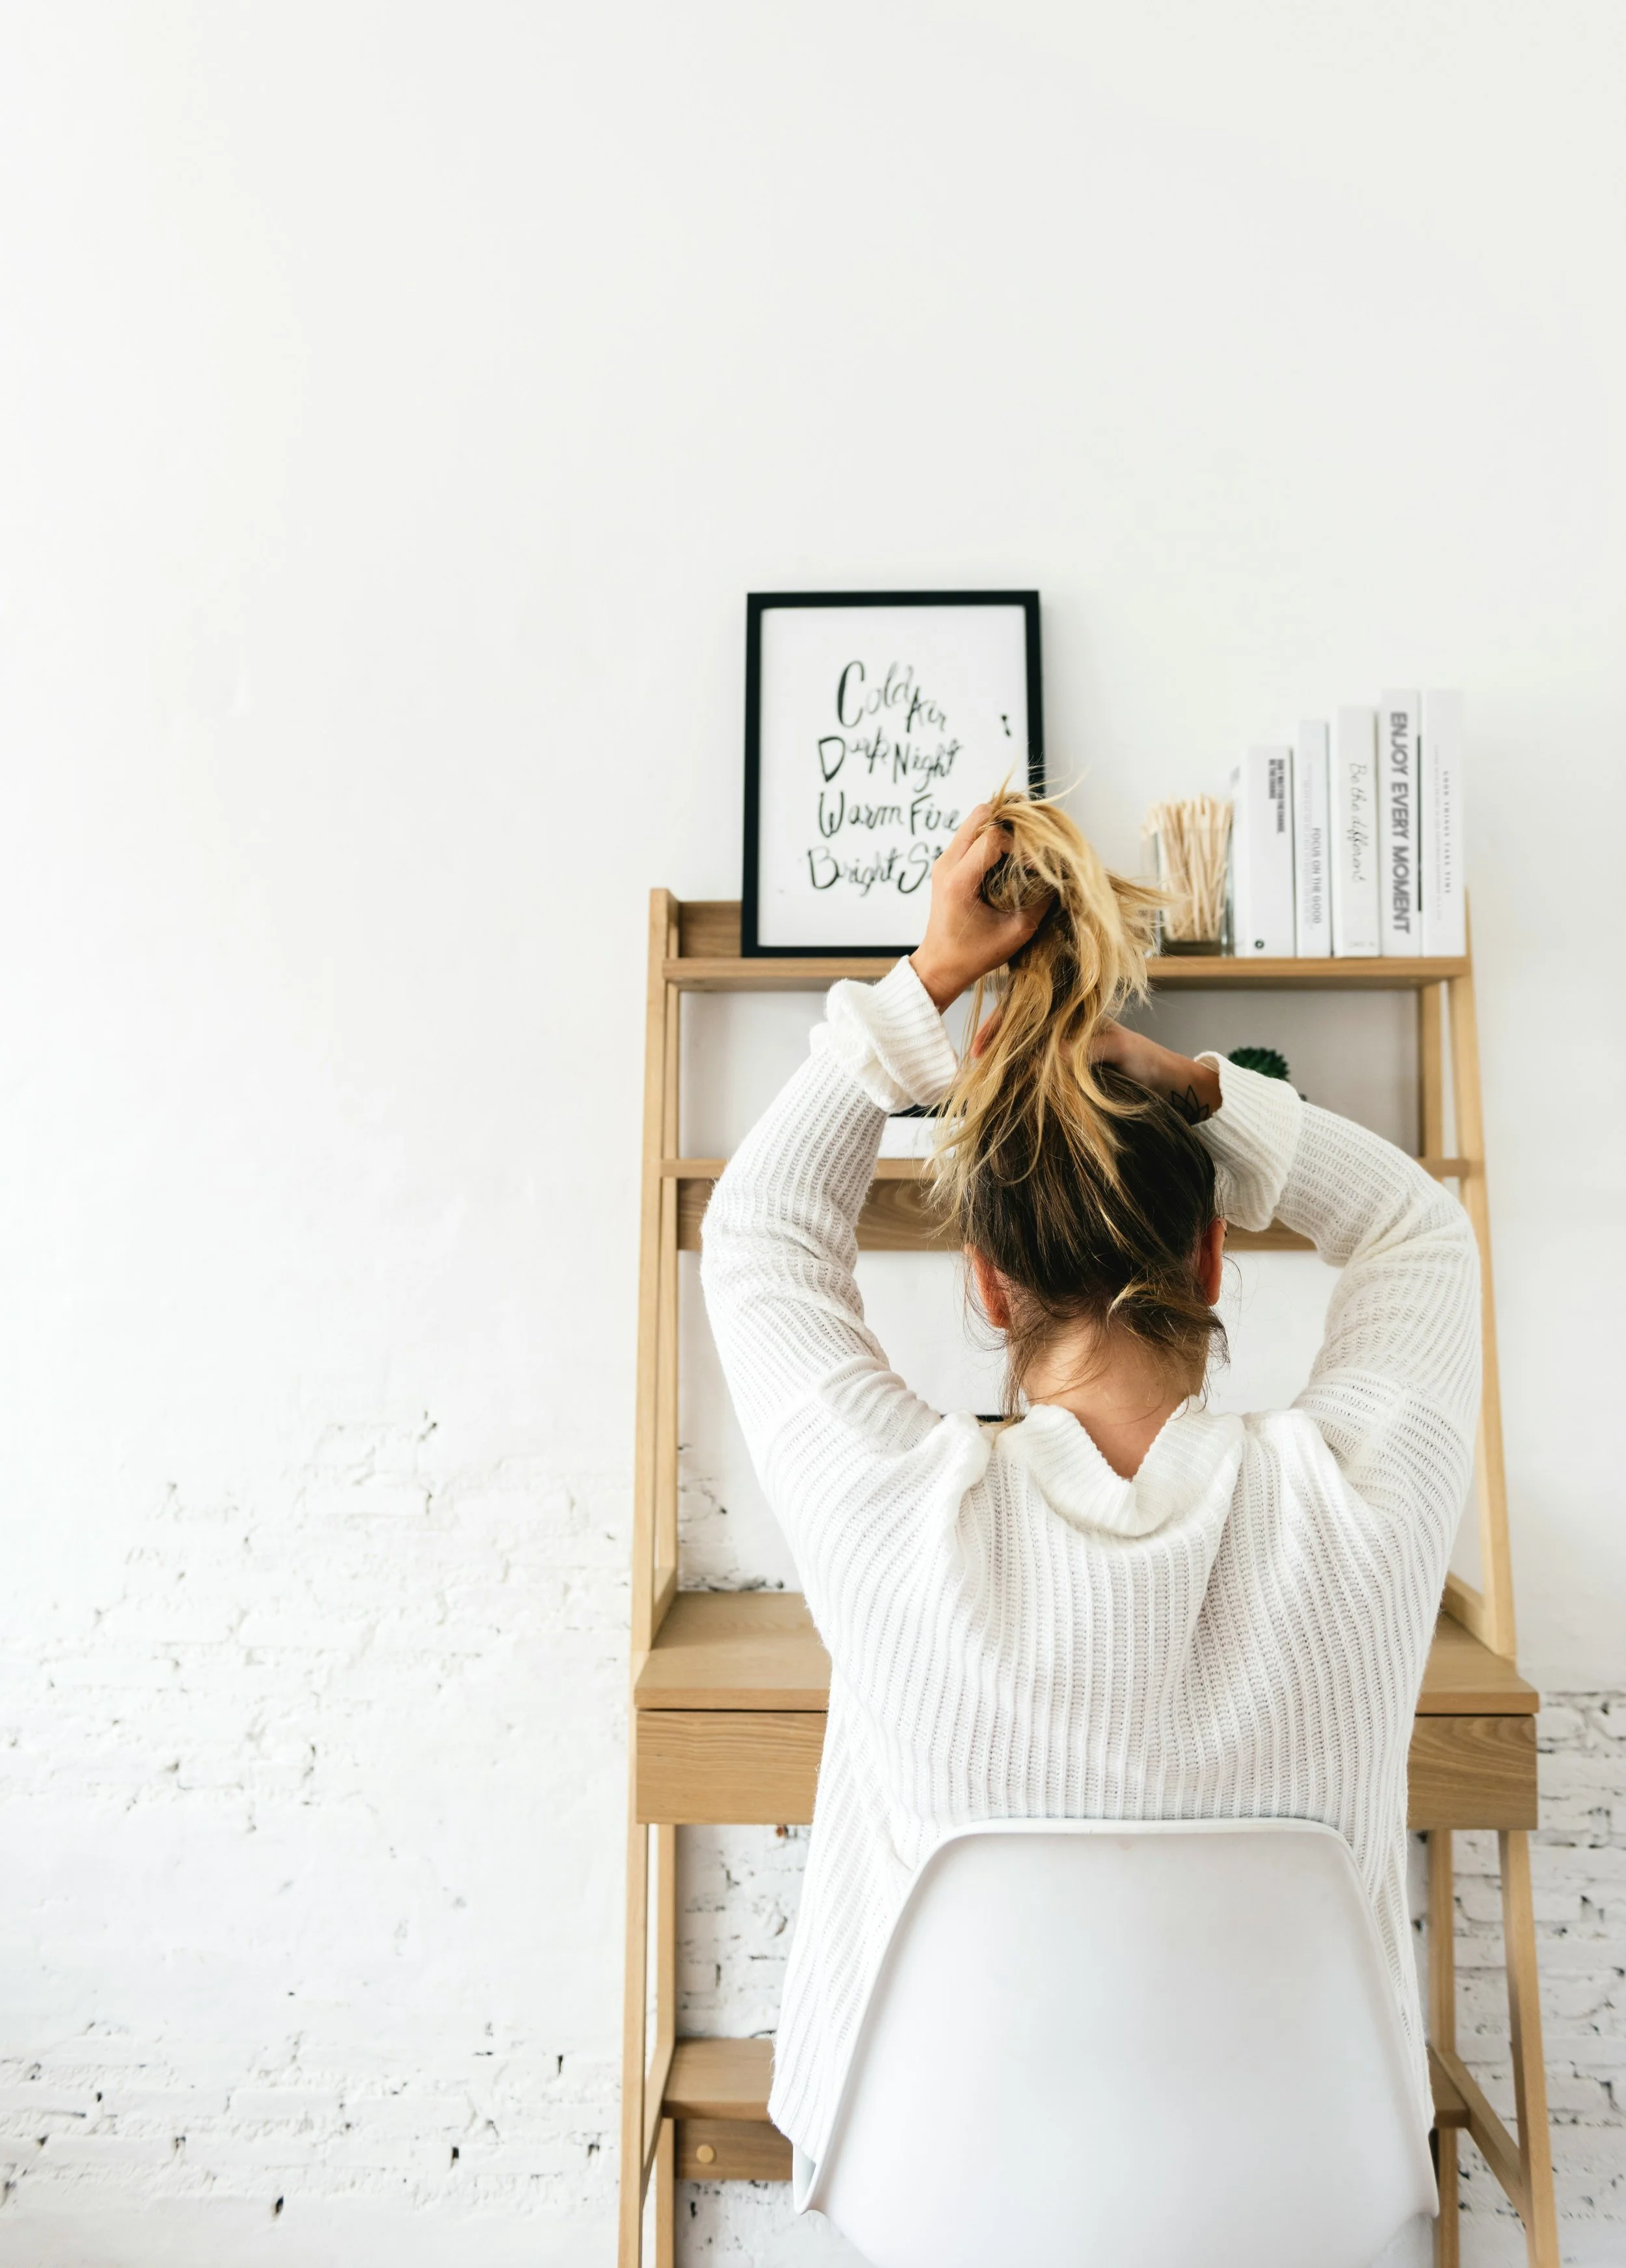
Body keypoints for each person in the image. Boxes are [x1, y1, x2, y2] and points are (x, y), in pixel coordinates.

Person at [700, 794, 1477, 2261]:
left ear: (986, 1282)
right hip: (1300, 2216)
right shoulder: (1358, 1514)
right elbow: (1419, 1233)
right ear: (1213, 1256)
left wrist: (929, 981)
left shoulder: (895, 1519)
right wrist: (1195, 1086)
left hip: (937, 2213)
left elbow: (754, 1236)